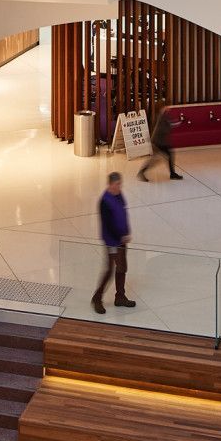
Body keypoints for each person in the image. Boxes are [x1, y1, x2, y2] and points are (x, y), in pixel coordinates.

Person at [91, 171, 137, 313]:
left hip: (122, 239)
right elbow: (108, 225)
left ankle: (120, 296)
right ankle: (97, 298)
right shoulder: (104, 201)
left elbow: (123, 213)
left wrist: (126, 232)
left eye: (120, 184)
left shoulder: (119, 195)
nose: (119, 187)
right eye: (117, 184)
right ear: (110, 184)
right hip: (112, 241)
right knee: (110, 270)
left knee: (122, 267)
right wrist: (120, 237)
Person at [139, 106, 182, 181]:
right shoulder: (161, 116)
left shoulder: (162, 115)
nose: (168, 108)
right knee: (155, 159)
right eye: (166, 107)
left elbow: (169, 123)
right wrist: (174, 124)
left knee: (167, 155)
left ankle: (172, 174)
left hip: (159, 141)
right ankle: (142, 172)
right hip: (158, 142)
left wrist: (176, 123)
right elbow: (164, 128)